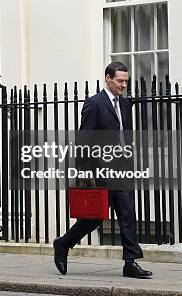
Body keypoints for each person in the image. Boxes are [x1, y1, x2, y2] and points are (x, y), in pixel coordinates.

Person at [52, 62, 152, 279]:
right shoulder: (94, 103)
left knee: (126, 212)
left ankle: (130, 262)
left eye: (126, 81)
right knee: (94, 218)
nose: (124, 85)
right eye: (120, 81)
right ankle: (63, 243)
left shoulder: (125, 105)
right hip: (99, 169)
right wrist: (85, 171)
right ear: (108, 78)